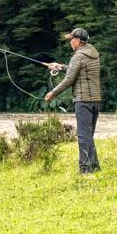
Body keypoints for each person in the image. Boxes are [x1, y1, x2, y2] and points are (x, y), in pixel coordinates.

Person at [45, 28, 102, 173]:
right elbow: (76, 69)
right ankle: (94, 166)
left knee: (83, 136)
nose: (70, 42)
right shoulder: (93, 54)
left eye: (71, 39)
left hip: (83, 100)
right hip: (95, 100)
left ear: (78, 41)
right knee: (88, 135)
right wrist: (60, 66)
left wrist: (53, 93)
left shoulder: (78, 56)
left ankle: (85, 169)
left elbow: (70, 79)